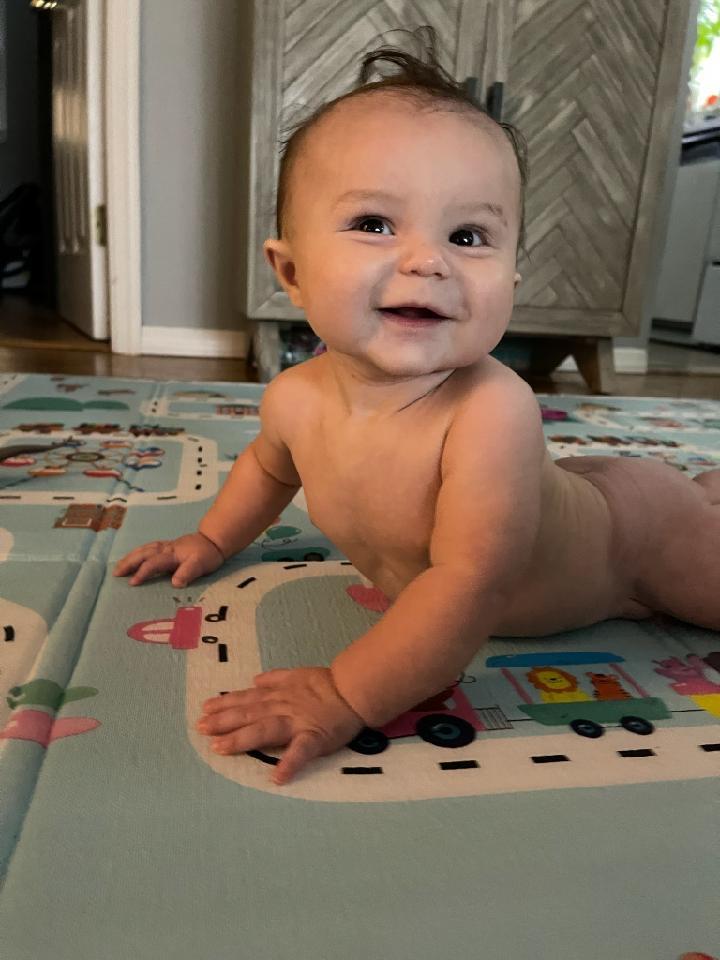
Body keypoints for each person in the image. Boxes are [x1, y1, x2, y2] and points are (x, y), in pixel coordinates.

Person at [114, 28, 720, 785]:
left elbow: (468, 584)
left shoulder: (491, 411)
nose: (427, 259)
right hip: (582, 496)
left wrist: (346, 692)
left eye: (468, 235)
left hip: (638, 541)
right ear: (291, 272)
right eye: (374, 224)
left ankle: (701, 499)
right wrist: (210, 538)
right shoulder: (293, 397)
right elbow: (269, 472)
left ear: (510, 283)